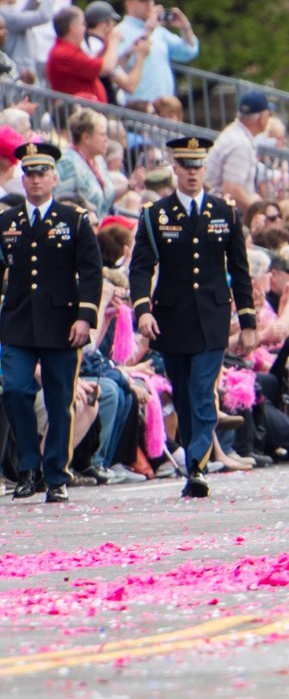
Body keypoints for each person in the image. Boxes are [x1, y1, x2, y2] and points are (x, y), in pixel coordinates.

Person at [126, 138, 256, 497]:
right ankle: (195, 460)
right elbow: (140, 268)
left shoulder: (225, 212)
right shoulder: (156, 215)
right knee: (183, 394)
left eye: (198, 165)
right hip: (172, 316)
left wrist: (248, 323)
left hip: (212, 316)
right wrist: (142, 310)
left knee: (202, 390)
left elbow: (240, 272)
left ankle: (196, 464)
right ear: (175, 168)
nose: (193, 172)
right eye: (186, 165)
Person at [0, 142, 104, 502]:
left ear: (55, 177)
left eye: (42, 172)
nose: (35, 180)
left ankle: (56, 473)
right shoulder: (7, 221)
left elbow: (91, 272)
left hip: (62, 322)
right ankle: (30, 468)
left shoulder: (73, 220)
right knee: (14, 389)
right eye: (28, 173)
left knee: (60, 399)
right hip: (18, 321)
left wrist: (86, 317)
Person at [114, 0, 199, 101]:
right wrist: (148, 31)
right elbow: (116, 65)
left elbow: (188, 52)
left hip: (164, 106)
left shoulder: (159, 31)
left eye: (151, 0)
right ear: (129, 3)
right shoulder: (119, 32)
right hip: (137, 105)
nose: (149, 5)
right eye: (144, 1)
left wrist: (185, 27)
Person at [203, 90, 272, 210]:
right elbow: (232, 191)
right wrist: (261, 212)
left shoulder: (235, 133)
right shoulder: (240, 144)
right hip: (219, 212)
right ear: (262, 118)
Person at [44, 6, 125, 103]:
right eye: (83, 24)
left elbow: (97, 63)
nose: (85, 28)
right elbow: (106, 68)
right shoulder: (64, 54)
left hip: (86, 113)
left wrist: (107, 43)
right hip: (78, 115)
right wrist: (113, 42)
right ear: (73, 28)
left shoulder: (69, 50)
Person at [0, 0, 58, 72]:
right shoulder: (4, 14)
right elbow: (43, 16)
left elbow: (22, 16)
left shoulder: (7, 15)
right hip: (20, 77)